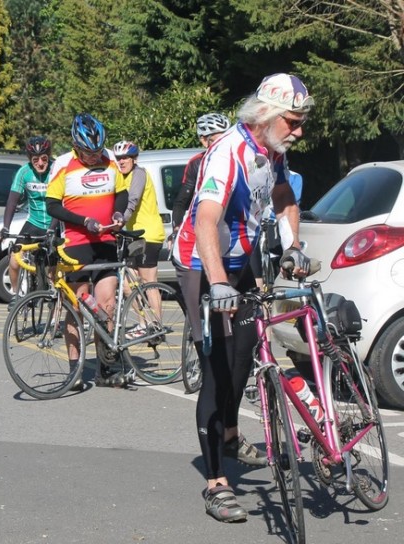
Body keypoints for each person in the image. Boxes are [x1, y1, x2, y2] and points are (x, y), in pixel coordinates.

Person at [171, 73, 314, 522]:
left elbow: (285, 195)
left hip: (242, 258)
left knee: (242, 359)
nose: (299, 130)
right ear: (266, 115)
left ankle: (230, 434)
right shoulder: (226, 153)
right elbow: (207, 221)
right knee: (217, 372)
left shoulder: (272, 153)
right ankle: (216, 483)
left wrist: (293, 246)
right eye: (292, 121)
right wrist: (218, 284)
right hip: (201, 263)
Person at [46, 113, 127, 388]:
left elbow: (122, 192)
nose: (94, 157)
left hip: (106, 241)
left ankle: (105, 369)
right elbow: (52, 205)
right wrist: (83, 221)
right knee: (78, 306)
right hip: (77, 244)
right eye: (88, 153)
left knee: (106, 305)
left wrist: (118, 212)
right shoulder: (63, 163)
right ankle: (74, 370)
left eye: (97, 152)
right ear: (75, 146)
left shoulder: (109, 158)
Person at [113, 140, 165, 338]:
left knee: (148, 280)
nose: (121, 161)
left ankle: (156, 325)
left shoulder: (138, 174)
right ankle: (144, 322)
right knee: (128, 283)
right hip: (133, 235)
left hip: (149, 233)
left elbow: (132, 200)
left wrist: (120, 220)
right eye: (118, 158)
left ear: (134, 159)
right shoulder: (121, 177)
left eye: (125, 157)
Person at [0, 136, 54, 303]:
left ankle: (53, 293)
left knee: (54, 268)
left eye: (44, 159)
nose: (41, 163)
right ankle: (16, 294)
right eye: (36, 160)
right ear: (30, 159)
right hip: (34, 222)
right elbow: (12, 202)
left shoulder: (56, 170)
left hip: (55, 222)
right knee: (14, 260)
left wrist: (53, 229)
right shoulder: (24, 172)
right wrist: (5, 228)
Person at [170, 113, 231, 240]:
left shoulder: (238, 158)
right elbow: (181, 202)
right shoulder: (196, 163)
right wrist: (176, 228)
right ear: (204, 140)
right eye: (217, 140)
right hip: (205, 225)